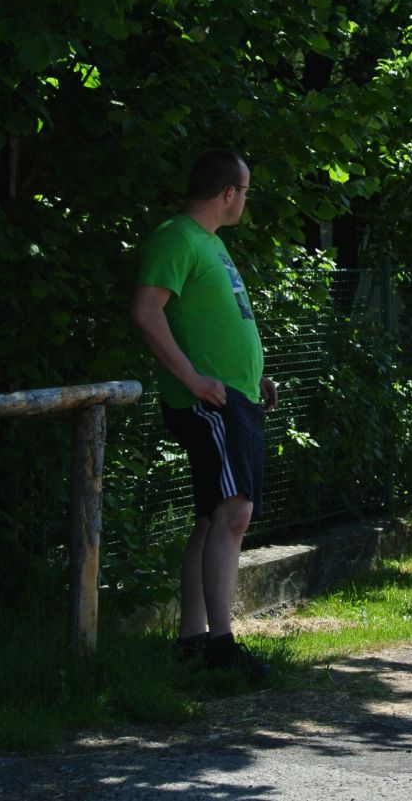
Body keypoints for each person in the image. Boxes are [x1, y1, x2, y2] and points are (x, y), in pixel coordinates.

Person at [131, 148, 275, 681]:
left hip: (236, 398)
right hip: (210, 403)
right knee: (235, 513)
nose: (245, 200)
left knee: (214, 515)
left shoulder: (210, 242)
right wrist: (193, 379)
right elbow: (146, 312)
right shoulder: (177, 238)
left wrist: (255, 376)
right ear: (228, 193)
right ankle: (221, 646)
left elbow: (218, 320)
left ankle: (192, 639)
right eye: (245, 190)